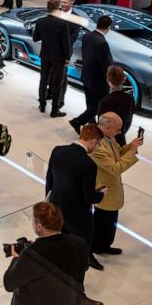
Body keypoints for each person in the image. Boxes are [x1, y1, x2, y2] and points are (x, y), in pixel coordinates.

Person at [45, 123, 108, 293]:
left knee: (59, 247)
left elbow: (50, 180)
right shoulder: (88, 165)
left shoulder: (57, 150)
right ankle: (76, 291)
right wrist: (101, 194)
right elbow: (89, 197)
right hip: (78, 217)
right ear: (93, 142)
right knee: (80, 253)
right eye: (98, 144)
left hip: (57, 209)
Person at [89, 113, 142, 257]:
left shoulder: (108, 139)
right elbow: (115, 168)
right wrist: (132, 151)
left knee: (110, 223)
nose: (119, 132)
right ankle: (93, 249)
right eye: (117, 129)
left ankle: (105, 245)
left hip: (112, 190)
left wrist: (131, 146)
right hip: (104, 191)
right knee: (101, 224)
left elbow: (118, 153)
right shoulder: (97, 145)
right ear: (106, 127)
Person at [69, 15, 114, 132]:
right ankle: (77, 121)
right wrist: (109, 81)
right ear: (108, 28)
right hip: (98, 81)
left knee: (90, 104)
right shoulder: (102, 43)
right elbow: (105, 65)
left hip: (86, 75)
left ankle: (91, 127)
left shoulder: (87, 36)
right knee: (98, 107)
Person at [33, 0, 71, 118]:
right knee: (57, 83)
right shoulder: (62, 24)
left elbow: (35, 38)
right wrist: (67, 57)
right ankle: (55, 110)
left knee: (43, 80)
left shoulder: (40, 21)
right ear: (58, 8)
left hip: (45, 54)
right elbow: (66, 43)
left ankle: (42, 105)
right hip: (59, 57)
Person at [97, 66, 134, 147]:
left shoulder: (104, 102)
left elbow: (101, 125)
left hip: (106, 141)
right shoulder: (130, 99)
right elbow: (128, 121)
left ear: (108, 81)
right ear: (124, 80)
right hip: (121, 138)